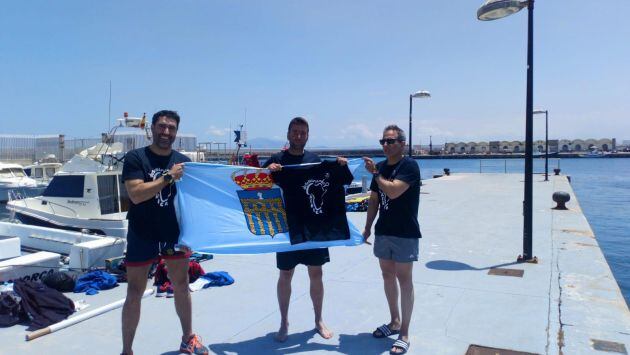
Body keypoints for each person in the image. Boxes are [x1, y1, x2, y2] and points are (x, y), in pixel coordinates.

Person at [120, 110, 208, 355]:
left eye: (171, 128)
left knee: (181, 284)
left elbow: (193, 203)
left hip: (173, 233)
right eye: (161, 126)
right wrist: (168, 176)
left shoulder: (183, 162)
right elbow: (136, 195)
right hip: (142, 232)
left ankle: (188, 338)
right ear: (152, 129)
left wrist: (192, 236)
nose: (166, 132)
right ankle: (127, 351)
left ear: (176, 132)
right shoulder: (136, 158)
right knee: (134, 291)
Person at [263, 116, 346, 342]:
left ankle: (318, 319)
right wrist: (268, 171)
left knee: (316, 273)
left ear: (307, 136)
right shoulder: (277, 159)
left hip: (314, 227)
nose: (299, 136)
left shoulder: (315, 160)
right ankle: (284, 321)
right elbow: (259, 185)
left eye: (303, 132)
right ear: (288, 134)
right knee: (285, 274)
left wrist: (339, 165)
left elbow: (332, 180)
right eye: (295, 132)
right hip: (287, 228)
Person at [362, 125, 421, 355]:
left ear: (402, 143)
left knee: (404, 279)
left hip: (405, 232)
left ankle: (404, 332)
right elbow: (374, 200)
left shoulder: (409, 166)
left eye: (390, 141)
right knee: (387, 275)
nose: (385, 145)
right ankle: (394, 321)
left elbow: (394, 191)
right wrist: (367, 227)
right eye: (383, 141)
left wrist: (375, 174)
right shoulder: (381, 167)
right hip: (383, 230)